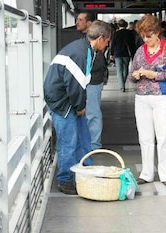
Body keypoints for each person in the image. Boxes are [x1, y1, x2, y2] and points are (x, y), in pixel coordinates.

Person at [43, 20, 111, 195]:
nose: (107, 44)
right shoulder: (81, 54)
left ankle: (85, 171)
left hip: (66, 99)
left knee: (83, 137)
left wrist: (80, 105)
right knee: (69, 141)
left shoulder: (84, 49)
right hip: (62, 102)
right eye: (107, 41)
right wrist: (80, 107)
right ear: (101, 38)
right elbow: (74, 86)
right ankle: (65, 180)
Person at [128, 14, 166, 187]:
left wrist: (154, 75)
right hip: (142, 98)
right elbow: (131, 75)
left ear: (157, 32)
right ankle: (147, 173)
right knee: (145, 138)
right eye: (143, 35)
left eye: (149, 35)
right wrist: (136, 75)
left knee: (163, 136)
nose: (146, 39)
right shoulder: (139, 51)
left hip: (162, 98)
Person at [76, 12, 108, 150]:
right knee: (89, 113)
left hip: (93, 82)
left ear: (89, 24)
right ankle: (90, 143)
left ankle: (94, 145)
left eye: (81, 20)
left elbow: (97, 64)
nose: (77, 22)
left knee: (92, 113)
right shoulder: (82, 41)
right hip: (89, 81)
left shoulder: (93, 44)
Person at [110, 19, 136, 92]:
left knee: (119, 70)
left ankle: (121, 86)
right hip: (126, 53)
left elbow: (113, 44)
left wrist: (111, 53)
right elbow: (132, 44)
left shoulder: (116, 33)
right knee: (125, 69)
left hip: (117, 53)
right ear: (126, 25)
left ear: (118, 25)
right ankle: (123, 84)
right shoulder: (130, 33)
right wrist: (133, 54)